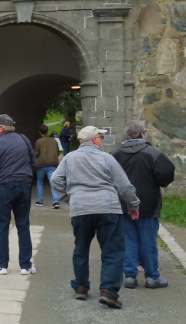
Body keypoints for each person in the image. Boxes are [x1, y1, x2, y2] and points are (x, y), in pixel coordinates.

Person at [51, 126, 140, 309]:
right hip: (107, 208)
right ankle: (108, 291)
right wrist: (133, 205)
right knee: (112, 250)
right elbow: (124, 186)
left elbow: (55, 180)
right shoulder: (107, 158)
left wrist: (68, 197)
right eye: (100, 137)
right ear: (93, 140)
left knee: (81, 247)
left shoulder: (69, 158)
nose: (102, 140)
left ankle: (81, 287)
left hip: (81, 209)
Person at [111, 120, 175, 290]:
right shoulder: (152, 153)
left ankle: (130, 276)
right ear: (142, 133)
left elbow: (107, 175)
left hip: (123, 203)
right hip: (149, 202)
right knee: (148, 241)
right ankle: (152, 277)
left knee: (128, 239)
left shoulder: (116, 153)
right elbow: (167, 173)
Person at [0, 114, 37, 276]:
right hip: (24, 184)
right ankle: (26, 265)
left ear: (1, 128)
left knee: (1, 225)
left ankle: (2, 265)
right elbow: (33, 162)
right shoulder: (24, 139)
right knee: (23, 224)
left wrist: (1, 176)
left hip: (4, 186)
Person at [33, 124, 61, 209]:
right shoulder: (54, 141)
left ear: (39, 132)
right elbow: (58, 152)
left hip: (41, 164)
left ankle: (40, 200)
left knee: (40, 182)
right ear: (47, 131)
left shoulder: (39, 141)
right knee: (53, 182)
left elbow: (36, 153)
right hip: (52, 164)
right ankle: (56, 201)